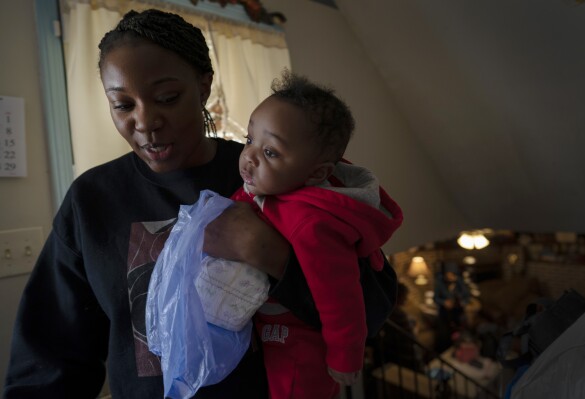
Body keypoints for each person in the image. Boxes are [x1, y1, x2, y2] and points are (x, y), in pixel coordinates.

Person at [2, 9, 398, 399]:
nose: (145, 121)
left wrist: (270, 255)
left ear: (204, 86)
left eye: (167, 97)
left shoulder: (273, 176)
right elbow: (50, 357)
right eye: (123, 105)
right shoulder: (92, 200)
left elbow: (369, 308)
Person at [230, 71, 403, 398]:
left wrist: (344, 356)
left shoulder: (313, 225)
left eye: (271, 152)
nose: (250, 156)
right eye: (250, 140)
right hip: (266, 323)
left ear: (317, 173)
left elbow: (340, 297)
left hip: (298, 339)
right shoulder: (275, 185)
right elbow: (245, 204)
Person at [433, 261, 471, 352]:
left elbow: (467, 297)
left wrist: (462, 302)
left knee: (462, 331)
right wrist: (444, 302)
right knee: (444, 334)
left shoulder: (459, 283)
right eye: (448, 274)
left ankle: (460, 350)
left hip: (458, 312)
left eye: (452, 274)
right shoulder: (440, 283)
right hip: (444, 313)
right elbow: (435, 298)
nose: (450, 276)